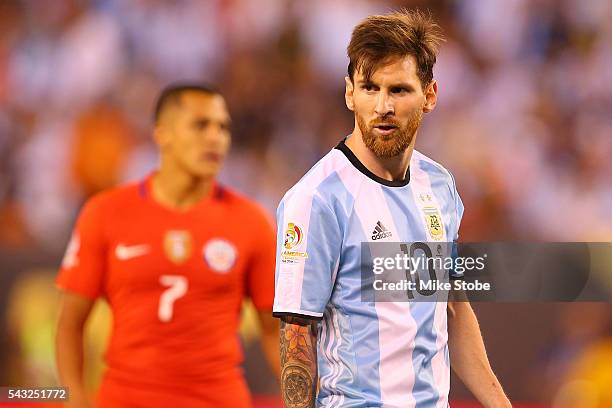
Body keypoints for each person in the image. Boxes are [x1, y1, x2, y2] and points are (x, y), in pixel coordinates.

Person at [273, 10, 511, 408]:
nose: (382, 105)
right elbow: (297, 334)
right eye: (369, 88)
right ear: (350, 93)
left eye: (398, 90)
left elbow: (451, 307)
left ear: (430, 95)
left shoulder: (439, 186)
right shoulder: (316, 199)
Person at [56, 84, 279, 408]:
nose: (215, 137)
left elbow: (274, 333)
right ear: (162, 134)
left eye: (223, 128)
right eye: (201, 125)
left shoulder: (252, 222)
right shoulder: (105, 213)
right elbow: (70, 325)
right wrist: (74, 398)